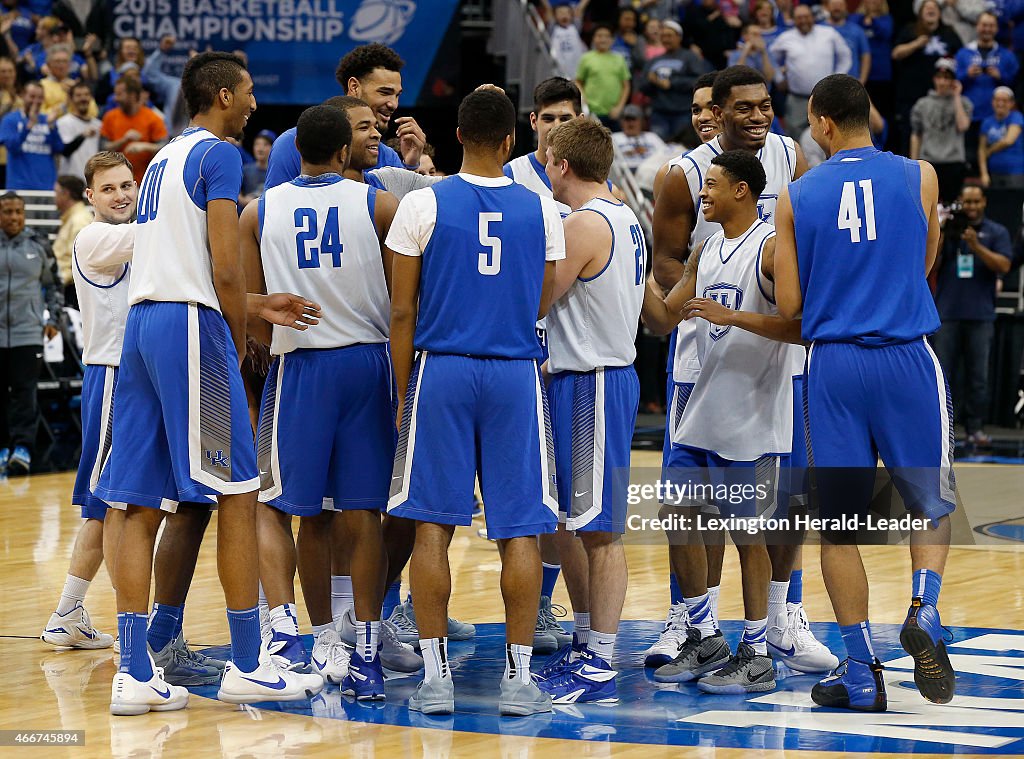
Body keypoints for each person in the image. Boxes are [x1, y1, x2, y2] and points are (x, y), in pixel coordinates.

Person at [94, 51, 325, 716]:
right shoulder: (221, 154)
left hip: (142, 327)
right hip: (192, 330)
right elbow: (224, 266)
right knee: (239, 490)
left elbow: (182, 264)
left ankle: (135, 672)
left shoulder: (164, 156)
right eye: (248, 91)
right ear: (224, 94)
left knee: (134, 504)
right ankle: (250, 662)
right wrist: (241, 332)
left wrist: (254, 304)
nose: (254, 102)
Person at [774, 73, 956, 713]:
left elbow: (792, 304)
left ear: (821, 122)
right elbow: (925, 259)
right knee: (929, 503)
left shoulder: (796, 196)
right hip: (907, 355)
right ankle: (925, 608)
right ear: (869, 116)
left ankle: (858, 672)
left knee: (838, 529)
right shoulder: (922, 176)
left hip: (835, 365)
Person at [647, 66, 835, 677]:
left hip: (770, 369)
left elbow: (801, 290)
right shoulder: (685, 176)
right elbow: (667, 266)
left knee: (781, 506)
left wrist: (741, 309)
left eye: (765, 106)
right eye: (744, 108)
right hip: (700, 365)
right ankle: (695, 621)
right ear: (716, 112)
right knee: (689, 509)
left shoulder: (791, 157)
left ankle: (776, 623)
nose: (758, 116)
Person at [386, 88, 564, 717]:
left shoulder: (423, 202)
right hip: (514, 371)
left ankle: (435, 679)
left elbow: (401, 307)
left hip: (443, 370)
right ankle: (518, 680)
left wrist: (404, 388)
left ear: (457, 136)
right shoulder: (542, 209)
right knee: (520, 528)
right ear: (512, 141)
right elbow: (541, 299)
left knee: (432, 522)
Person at [241, 104, 399, 698]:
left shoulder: (258, 211)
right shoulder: (377, 203)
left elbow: (246, 298)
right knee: (363, 515)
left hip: (301, 364)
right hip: (368, 363)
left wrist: (269, 337)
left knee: (278, 506)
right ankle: (367, 653)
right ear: (342, 153)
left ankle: (294, 638)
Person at [642, 150, 801, 693]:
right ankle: (704, 633)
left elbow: (800, 325)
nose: (701, 194)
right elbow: (665, 318)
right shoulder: (708, 247)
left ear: (741, 191)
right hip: (703, 410)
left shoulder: (772, 248)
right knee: (679, 516)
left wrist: (733, 316)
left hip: (752, 416)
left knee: (746, 536)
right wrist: (634, 258)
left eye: (711, 186)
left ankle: (756, 653)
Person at [531, 117, 644, 704]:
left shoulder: (582, 224)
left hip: (591, 380)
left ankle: (599, 657)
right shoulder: (625, 216)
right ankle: (586, 642)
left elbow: (537, 299)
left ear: (563, 165)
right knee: (573, 522)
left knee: (599, 531)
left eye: (548, 160)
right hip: (595, 375)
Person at [265, 43, 426, 190]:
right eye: (385, 92)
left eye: (397, 95)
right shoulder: (291, 143)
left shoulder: (387, 156)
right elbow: (273, 212)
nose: (394, 104)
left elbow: (401, 216)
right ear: (354, 87)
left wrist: (410, 167)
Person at [930, 184, 1011, 447]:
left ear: (985, 202)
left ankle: (975, 429)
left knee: (978, 377)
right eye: (968, 202)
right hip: (948, 314)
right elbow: (930, 262)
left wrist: (976, 246)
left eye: (976, 201)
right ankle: (944, 431)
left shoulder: (996, 231)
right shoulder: (949, 230)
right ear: (960, 203)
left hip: (980, 316)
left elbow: (1004, 265)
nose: (972, 207)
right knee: (945, 376)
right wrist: (940, 231)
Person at [0, 191, 61, 476]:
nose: (13, 217)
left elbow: (55, 285)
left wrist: (55, 319)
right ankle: (2, 447)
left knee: (25, 393)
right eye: (7, 211)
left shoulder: (38, 244)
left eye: (18, 212)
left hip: (28, 333)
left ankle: (22, 447)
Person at [771, 5, 853, 139]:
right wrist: (779, 78)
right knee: (794, 137)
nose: (803, 20)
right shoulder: (785, 37)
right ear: (793, 20)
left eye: (806, 17)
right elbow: (772, 58)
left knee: (828, 134)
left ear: (812, 17)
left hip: (825, 98)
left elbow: (845, 56)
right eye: (799, 18)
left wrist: (837, 78)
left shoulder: (829, 33)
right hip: (796, 98)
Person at [891, 0, 963, 155]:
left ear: (939, 12)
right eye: (926, 8)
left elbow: (961, 57)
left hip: (941, 97)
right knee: (911, 134)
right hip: (912, 95)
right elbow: (896, 53)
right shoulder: (910, 31)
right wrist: (916, 44)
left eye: (934, 8)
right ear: (920, 12)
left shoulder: (949, 33)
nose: (931, 10)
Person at [955, 11, 1017, 158]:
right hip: (969, 115)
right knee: (970, 158)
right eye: (984, 25)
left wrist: (1000, 76)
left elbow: (1016, 84)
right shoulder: (963, 53)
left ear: (996, 28)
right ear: (977, 26)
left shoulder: (1006, 55)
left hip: (996, 118)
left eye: (991, 25)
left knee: (993, 158)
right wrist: (967, 75)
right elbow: (953, 81)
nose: (987, 29)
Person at [910, 58, 972, 203]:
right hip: (929, 162)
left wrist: (956, 96)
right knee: (927, 205)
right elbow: (916, 134)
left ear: (953, 81)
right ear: (934, 79)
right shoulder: (922, 104)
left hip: (953, 162)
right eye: (939, 78)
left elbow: (963, 126)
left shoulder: (964, 103)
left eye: (947, 78)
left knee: (952, 207)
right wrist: (914, 164)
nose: (943, 82)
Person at [640, 20, 705, 141]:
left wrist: (672, 83)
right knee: (659, 148)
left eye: (669, 35)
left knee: (682, 148)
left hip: (682, 112)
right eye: (663, 36)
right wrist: (653, 82)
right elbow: (642, 85)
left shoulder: (689, 57)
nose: (666, 39)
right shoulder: (654, 60)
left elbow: (699, 81)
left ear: (679, 37)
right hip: (659, 112)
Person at [100, 75, 168, 185]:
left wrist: (144, 146)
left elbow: (165, 146)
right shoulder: (110, 117)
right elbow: (102, 147)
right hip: (116, 182)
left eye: (119, 94)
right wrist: (124, 140)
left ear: (132, 95)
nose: (115, 98)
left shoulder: (152, 118)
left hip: (145, 181)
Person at [0, 81, 64, 190]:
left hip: (47, 187)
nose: (36, 101)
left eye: (40, 97)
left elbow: (59, 149)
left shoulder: (47, 120)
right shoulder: (10, 119)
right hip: (19, 187)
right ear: (23, 96)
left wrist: (52, 127)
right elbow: (12, 147)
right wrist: (28, 128)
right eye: (32, 96)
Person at [575, 25, 632, 127]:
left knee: (615, 141)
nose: (603, 39)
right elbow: (578, 81)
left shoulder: (619, 59)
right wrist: (583, 102)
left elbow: (626, 85)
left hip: (614, 112)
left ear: (612, 40)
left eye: (607, 36)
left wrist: (619, 107)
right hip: (592, 112)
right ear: (593, 39)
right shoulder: (586, 58)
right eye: (599, 36)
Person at [850, 0, 895, 122]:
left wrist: (872, 21)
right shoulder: (855, 18)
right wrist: (865, 19)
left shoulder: (887, 19)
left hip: (881, 75)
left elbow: (886, 32)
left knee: (881, 112)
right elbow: (851, 29)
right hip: (860, 74)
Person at [52, 174, 92, 307]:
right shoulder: (73, 218)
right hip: (68, 285)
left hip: (72, 289)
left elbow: (79, 260)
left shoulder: (79, 221)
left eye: (56, 192)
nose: (54, 197)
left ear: (66, 194)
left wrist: (58, 281)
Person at [979, 86, 1024, 189]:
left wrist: (989, 151)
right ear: (992, 101)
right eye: (997, 100)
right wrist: (984, 173)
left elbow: (1008, 141)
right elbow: (981, 149)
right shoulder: (987, 122)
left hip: (1016, 171)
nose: (1000, 103)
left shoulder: (1016, 117)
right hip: (994, 171)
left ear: (1011, 103)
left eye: (1005, 100)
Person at [56, 82, 101, 181]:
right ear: (71, 99)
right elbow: (65, 151)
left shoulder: (98, 125)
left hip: (92, 181)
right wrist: (83, 136)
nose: (83, 99)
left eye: (86, 95)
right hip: (70, 181)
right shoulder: (63, 122)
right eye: (78, 95)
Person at [825, 0, 871, 83]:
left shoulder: (857, 30)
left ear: (846, 7)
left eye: (840, 5)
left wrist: (862, 80)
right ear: (827, 7)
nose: (837, 7)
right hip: (823, 83)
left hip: (850, 83)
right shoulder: (819, 28)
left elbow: (866, 55)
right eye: (834, 4)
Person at [613, 104, 668, 171]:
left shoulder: (652, 137)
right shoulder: (614, 138)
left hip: (650, 171)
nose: (630, 123)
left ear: (641, 121)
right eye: (627, 119)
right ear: (621, 122)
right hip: (625, 172)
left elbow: (665, 154)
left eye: (634, 119)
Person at [549, 3, 587, 81]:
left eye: (567, 12)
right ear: (555, 16)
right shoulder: (552, 29)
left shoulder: (575, 27)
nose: (564, 15)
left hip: (575, 69)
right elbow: (547, 10)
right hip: (558, 70)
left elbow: (580, 9)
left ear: (572, 16)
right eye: (560, 13)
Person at [239, 129, 273, 207]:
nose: (260, 148)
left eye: (265, 144)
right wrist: (242, 200)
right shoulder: (245, 170)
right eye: (257, 144)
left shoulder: (276, 172)